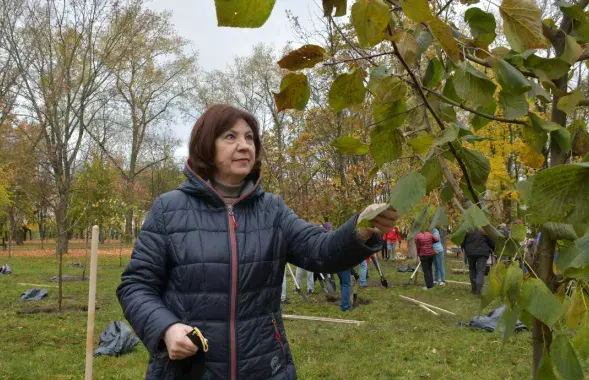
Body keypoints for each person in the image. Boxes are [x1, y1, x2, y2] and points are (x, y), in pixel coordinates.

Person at [116, 104, 399, 380]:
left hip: (265, 365)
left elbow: (321, 252)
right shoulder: (169, 209)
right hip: (190, 369)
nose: (244, 145)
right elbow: (136, 286)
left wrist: (361, 228)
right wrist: (167, 328)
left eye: (249, 137)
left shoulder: (272, 210)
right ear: (206, 145)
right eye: (231, 136)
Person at [461, 228, 495, 295]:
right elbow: (492, 243)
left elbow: (462, 244)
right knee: (480, 271)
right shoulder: (484, 232)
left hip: (470, 253)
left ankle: (474, 289)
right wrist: (491, 249)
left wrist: (465, 249)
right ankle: (479, 290)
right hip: (482, 253)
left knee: (472, 269)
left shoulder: (468, 232)